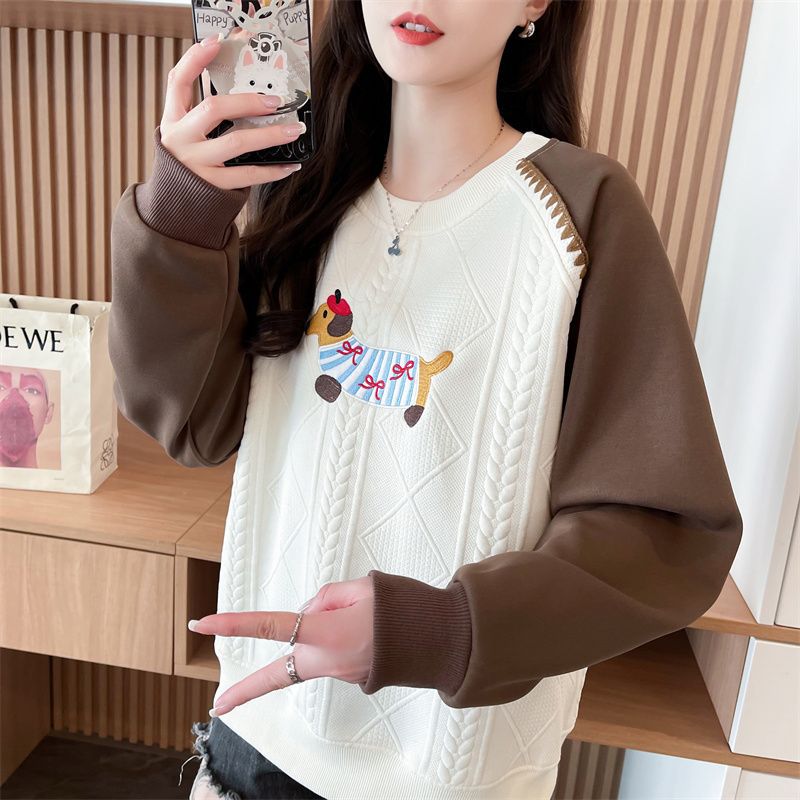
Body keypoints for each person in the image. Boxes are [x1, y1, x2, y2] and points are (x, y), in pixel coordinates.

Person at [108, 1, 744, 798]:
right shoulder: (303, 194)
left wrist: (436, 630)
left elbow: (666, 533)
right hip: (253, 745)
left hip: (447, 775)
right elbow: (190, 422)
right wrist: (183, 210)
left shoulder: (580, 212)